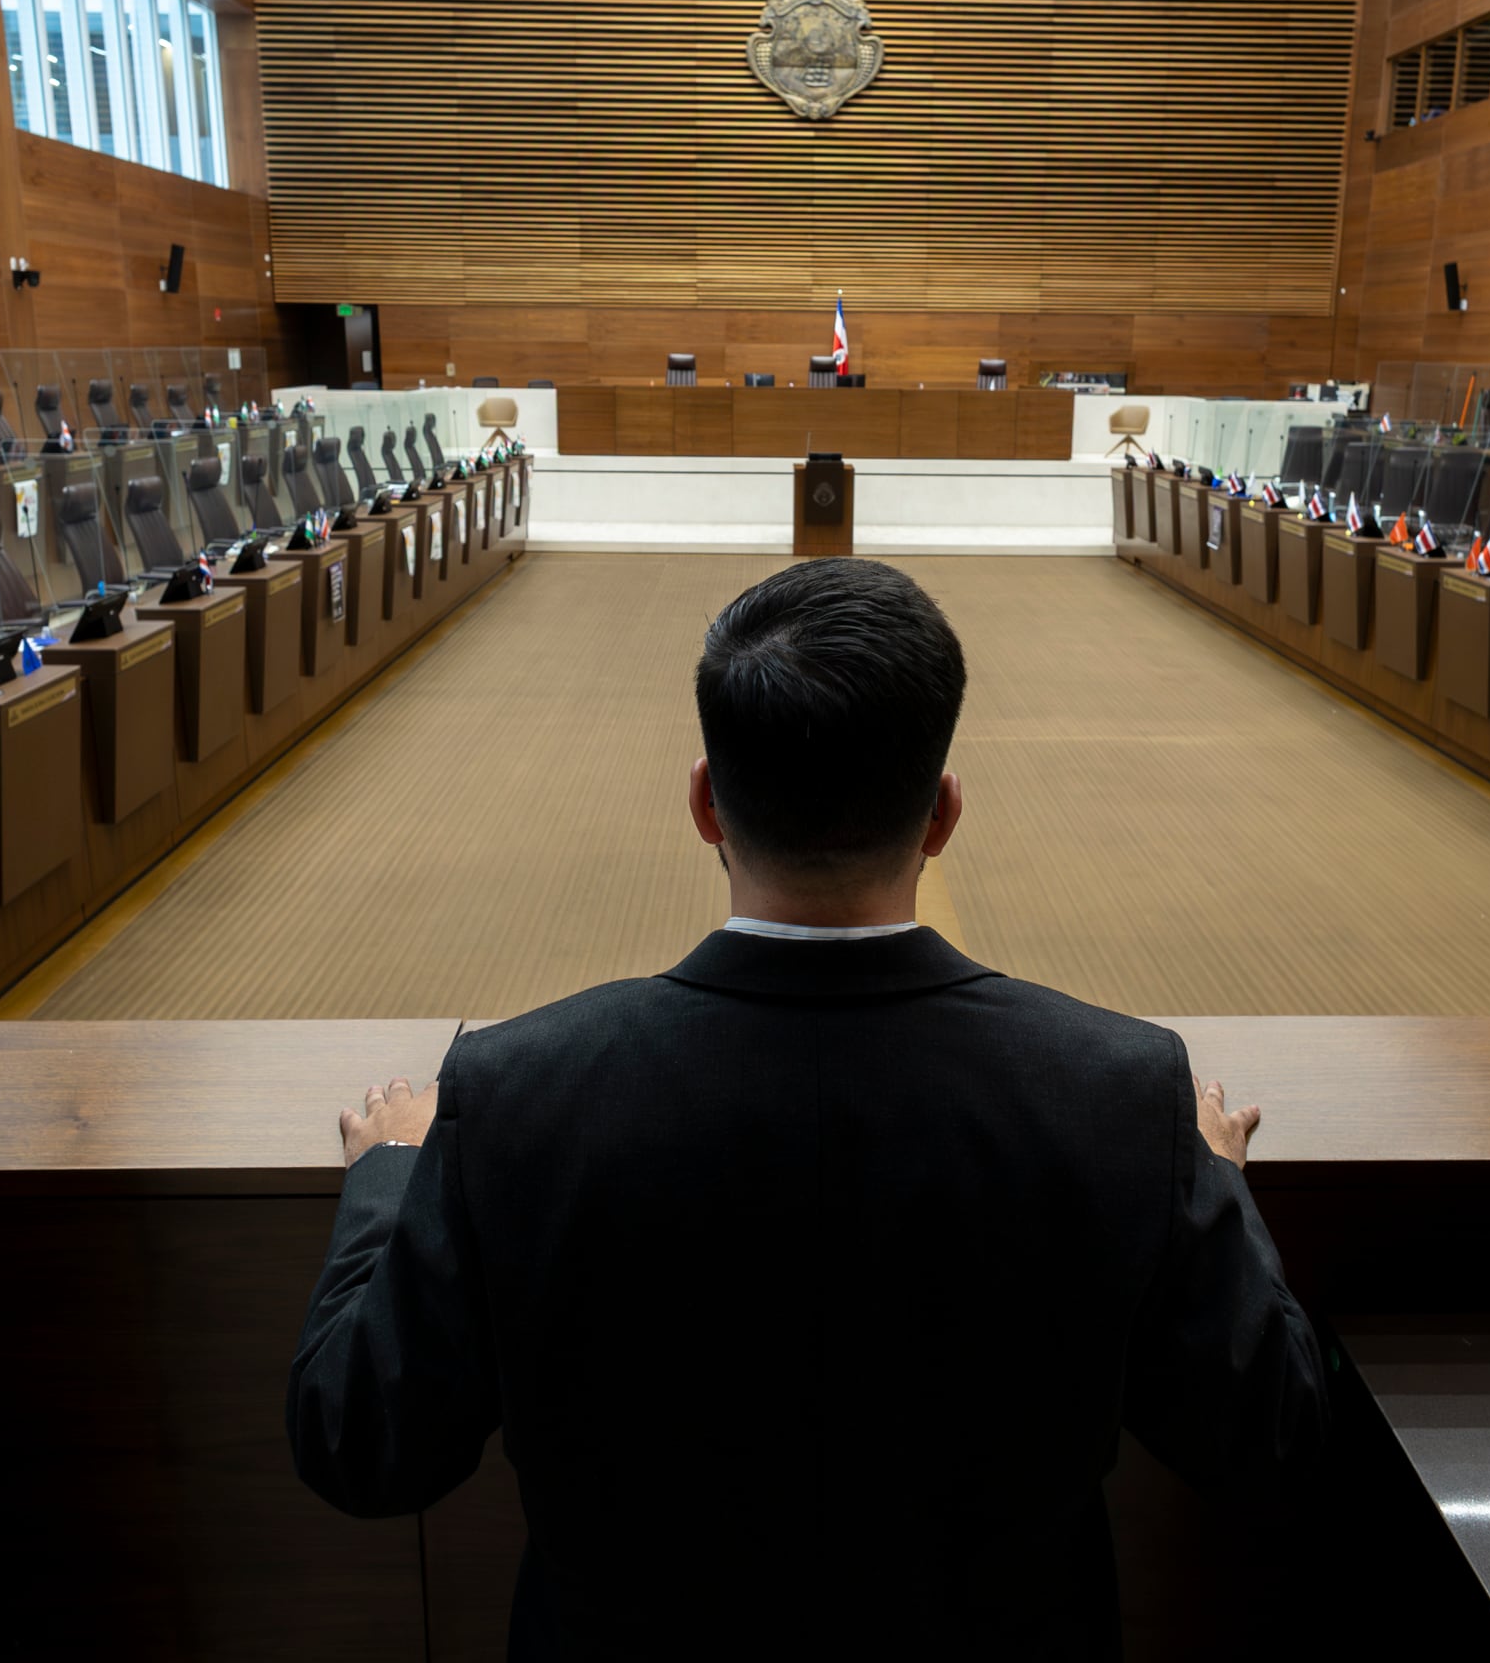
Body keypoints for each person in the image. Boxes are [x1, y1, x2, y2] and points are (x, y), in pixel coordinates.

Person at [288, 558, 1330, 1653]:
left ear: (704, 802)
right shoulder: (1119, 1089)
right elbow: (1271, 1436)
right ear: (942, 813)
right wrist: (1212, 1176)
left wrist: (390, 1174)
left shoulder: (514, 1090)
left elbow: (360, 1443)